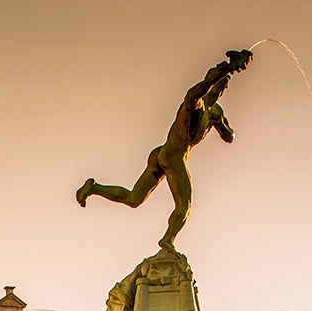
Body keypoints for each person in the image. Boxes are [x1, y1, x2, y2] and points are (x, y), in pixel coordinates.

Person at [76, 49, 252, 252]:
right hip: (173, 154)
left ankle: (93, 187)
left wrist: (220, 125)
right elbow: (194, 93)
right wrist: (227, 68)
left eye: (223, 88)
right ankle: (168, 239)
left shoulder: (215, 112)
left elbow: (230, 137)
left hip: (162, 153)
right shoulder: (196, 104)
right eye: (218, 85)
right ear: (211, 84)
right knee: (184, 207)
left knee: (134, 199)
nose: (219, 90)